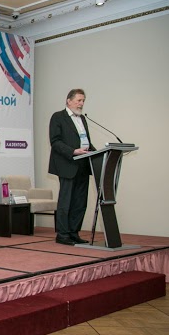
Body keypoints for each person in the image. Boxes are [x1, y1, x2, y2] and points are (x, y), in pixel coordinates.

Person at [48, 88, 95, 246]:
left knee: (80, 202)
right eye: (79, 100)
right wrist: (73, 151)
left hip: (83, 164)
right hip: (67, 164)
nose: (81, 103)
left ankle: (74, 233)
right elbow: (55, 142)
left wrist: (99, 153)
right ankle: (62, 234)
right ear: (69, 100)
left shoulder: (82, 119)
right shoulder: (58, 117)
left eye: (83, 101)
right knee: (66, 202)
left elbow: (86, 142)